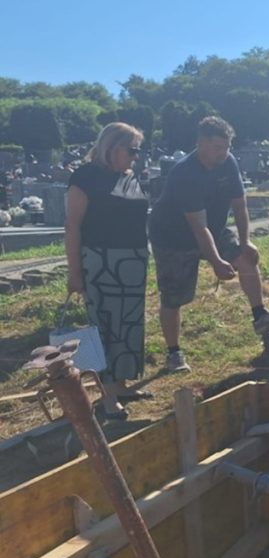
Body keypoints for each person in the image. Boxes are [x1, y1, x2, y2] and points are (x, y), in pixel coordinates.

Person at [149, 116, 269, 372]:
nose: (223, 153)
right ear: (201, 144)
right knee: (174, 297)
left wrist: (246, 242)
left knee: (246, 258)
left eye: (227, 147)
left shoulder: (228, 163)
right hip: (173, 238)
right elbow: (198, 226)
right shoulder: (185, 173)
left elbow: (239, 205)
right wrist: (216, 261)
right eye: (217, 148)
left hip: (213, 227)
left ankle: (260, 315)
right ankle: (174, 353)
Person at [64, 122, 151, 420]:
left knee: (129, 326)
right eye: (132, 150)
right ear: (112, 147)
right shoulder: (85, 177)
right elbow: (73, 226)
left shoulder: (129, 177)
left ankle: (122, 385)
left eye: (138, 151)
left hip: (133, 263)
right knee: (105, 329)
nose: (136, 156)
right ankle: (108, 397)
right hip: (101, 263)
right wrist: (74, 271)